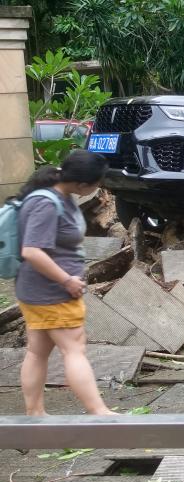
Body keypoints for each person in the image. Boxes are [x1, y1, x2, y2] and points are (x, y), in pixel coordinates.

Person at [16, 150, 116, 416]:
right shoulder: (47, 204)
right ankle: (99, 412)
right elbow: (32, 251)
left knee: (38, 351)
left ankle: (35, 414)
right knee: (74, 350)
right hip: (52, 292)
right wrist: (67, 280)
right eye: (97, 183)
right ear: (83, 184)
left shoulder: (60, 195)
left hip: (39, 290)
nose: (99, 188)